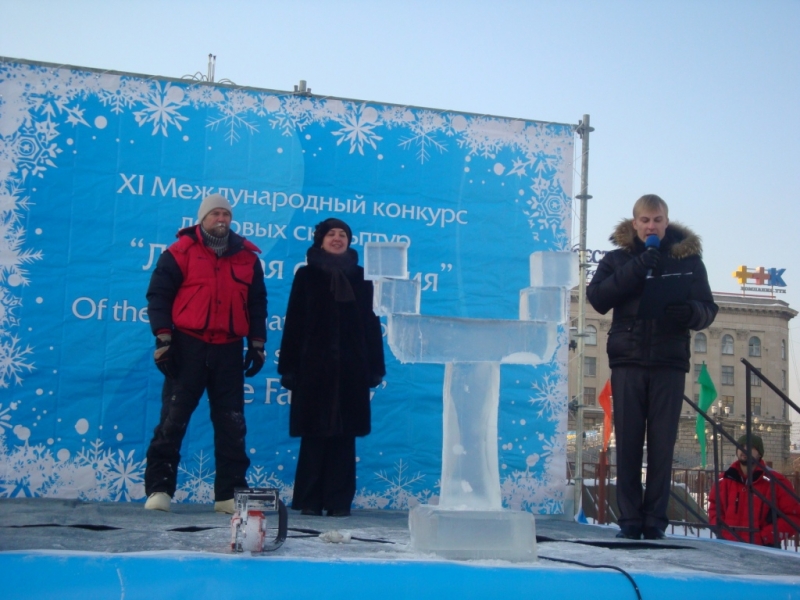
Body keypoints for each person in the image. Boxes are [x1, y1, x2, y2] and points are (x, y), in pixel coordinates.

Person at [587, 194, 718, 540]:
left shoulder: (689, 261)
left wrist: (690, 313)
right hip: (628, 360)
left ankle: (655, 521)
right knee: (628, 442)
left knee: (662, 444)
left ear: (666, 222)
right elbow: (597, 298)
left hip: (668, 362)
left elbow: (708, 308)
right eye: (644, 220)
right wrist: (638, 266)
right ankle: (630, 520)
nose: (651, 226)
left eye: (657, 220)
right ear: (635, 224)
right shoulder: (617, 259)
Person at [143, 193, 267, 514]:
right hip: (188, 346)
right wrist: (164, 340)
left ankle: (229, 495)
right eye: (215, 214)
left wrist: (257, 343)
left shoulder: (248, 258)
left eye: (226, 214)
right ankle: (159, 490)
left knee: (232, 425)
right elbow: (159, 296)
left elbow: (257, 303)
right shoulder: (179, 252)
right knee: (172, 421)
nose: (221, 219)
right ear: (202, 218)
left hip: (229, 349)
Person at [278, 218, 385, 517]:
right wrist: (289, 367)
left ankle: (339, 502)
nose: (337, 238)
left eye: (343, 235)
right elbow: (294, 322)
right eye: (331, 234)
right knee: (314, 436)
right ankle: (310, 501)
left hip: (352, 368)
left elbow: (372, 325)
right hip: (313, 368)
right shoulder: (306, 275)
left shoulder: (363, 278)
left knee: (344, 438)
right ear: (320, 240)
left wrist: (375, 366)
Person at [708, 434, 800, 546]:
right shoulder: (723, 480)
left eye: (751, 447)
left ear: (760, 453)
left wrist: (765, 536)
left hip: (762, 549)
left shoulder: (776, 482)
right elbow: (714, 510)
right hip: (728, 547)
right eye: (741, 446)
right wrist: (722, 532)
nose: (744, 450)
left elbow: (794, 516)